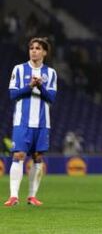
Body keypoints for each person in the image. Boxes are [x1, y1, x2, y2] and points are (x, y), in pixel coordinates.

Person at [5, 37, 57, 207]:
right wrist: (29, 86)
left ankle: (32, 196)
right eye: (31, 48)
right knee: (18, 155)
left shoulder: (50, 73)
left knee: (37, 157)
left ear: (44, 52)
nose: (34, 51)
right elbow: (12, 94)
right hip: (22, 121)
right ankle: (13, 196)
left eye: (37, 48)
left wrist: (40, 86)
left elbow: (51, 98)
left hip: (42, 123)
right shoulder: (19, 69)